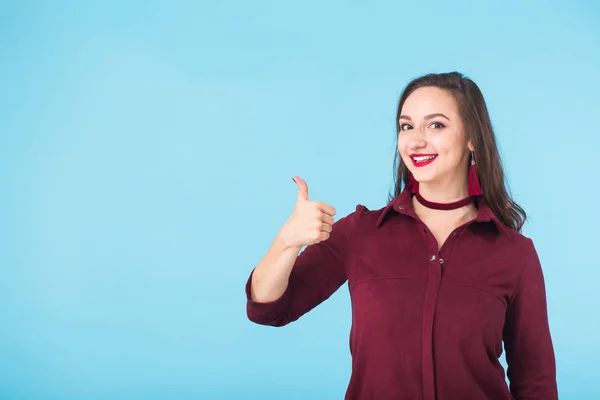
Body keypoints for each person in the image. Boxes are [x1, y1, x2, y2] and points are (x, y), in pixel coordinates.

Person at [244, 72, 558, 400]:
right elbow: (268, 309)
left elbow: (535, 382)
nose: (416, 140)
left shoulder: (515, 254)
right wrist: (287, 242)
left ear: (472, 137)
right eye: (407, 126)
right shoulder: (360, 232)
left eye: (436, 125)